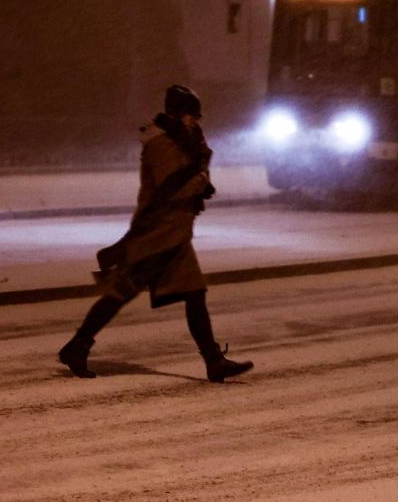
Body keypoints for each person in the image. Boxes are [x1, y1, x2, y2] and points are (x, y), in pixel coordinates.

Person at [58, 85, 254, 383]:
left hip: (174, 233)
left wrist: (200, 172)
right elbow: (170, 187)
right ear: (180, 114)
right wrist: (200, 180)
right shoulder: (161, 143)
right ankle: (77, 346)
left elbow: (186, 176)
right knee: (120, 293)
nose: (196, 122)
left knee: (193, 294)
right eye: (193, 116)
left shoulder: (182, 141)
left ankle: (214, 361)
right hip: (157, 233)